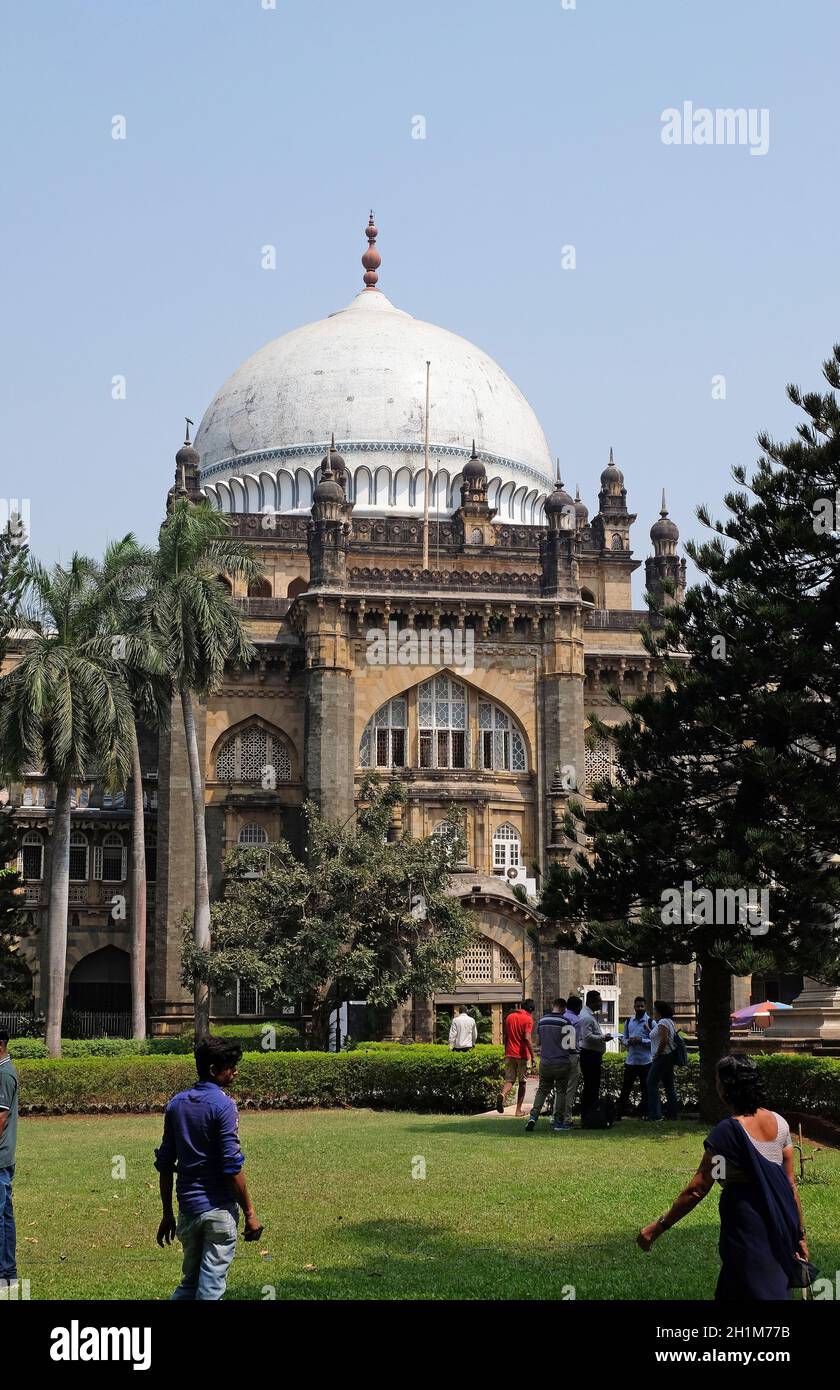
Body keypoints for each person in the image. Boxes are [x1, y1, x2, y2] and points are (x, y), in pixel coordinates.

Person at [637, 1055, 812, 1301]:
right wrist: (800, 1236)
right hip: (781, 1222)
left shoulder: (727, 1132)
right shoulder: (780, 1124)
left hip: (747, 1224)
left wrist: (658, 1227)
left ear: (726, 1087)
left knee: (750, 1287)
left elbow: (697, 1189)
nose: (715, 1084)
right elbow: (790, 1186)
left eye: (718, 1079)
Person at [155, 1037, 264, 1300]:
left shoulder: (176, 1104)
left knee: (190, 1284)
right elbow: (232, 1166)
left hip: (188, 1211)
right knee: (211, 1289)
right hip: (218, 1211)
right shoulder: (224, 1106)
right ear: (214, 1070)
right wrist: (250, 1213)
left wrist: (168, 1214)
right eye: (230, 1066)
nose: (235, 1071)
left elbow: (166, 1164)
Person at [525, 999, 577, 1133]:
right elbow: (570, 1046)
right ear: (563, 1008)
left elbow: (538, 1042)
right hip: (561, 1062)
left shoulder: (542, 1021)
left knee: (542, 1090)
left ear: (553, 1006)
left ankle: (533, 1116)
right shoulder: (566, 1022)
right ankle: (558, 1121)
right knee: (561, 1092)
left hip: (545, 1062)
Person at [0, 1031, 19, 1294]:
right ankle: (8, 1273)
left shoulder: (4, 1075)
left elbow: (1, 1119)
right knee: (5, 1215)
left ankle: (4, 1273)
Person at [576, 990, 612, 1117]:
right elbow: (587, 1037)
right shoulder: (586, 1017)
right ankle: (588, 1113)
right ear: (591, 1002)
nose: (601, 1003)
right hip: (590, 1055)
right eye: (599, 1001)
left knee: (592, 1085)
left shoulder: (588, 1015)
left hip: (592, 1054)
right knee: (591, 1085)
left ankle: (590, 1113)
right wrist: (603, 1038)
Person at [497, 999, 535, 1117]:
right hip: (522, 1055)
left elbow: (506, 1036)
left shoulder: (510, 1017)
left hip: (509, 1052)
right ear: (530, 1009)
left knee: (509, 1079)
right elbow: (527, 1038)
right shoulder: (528, 1019)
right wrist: (533, 1056)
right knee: (522, 1082)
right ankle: (518, 1110)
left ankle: (503, 1094)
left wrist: (506, 1051)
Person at [617, 996, 652, 1118]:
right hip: (631, 1061)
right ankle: (620, 1113)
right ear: (634, 1007)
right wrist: (628, 1042)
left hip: (645, 1061)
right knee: (626, 1088)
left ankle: (645, 1113)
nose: (640, 1008)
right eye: (637, 1006)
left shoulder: (650, 1022)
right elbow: (623, 1038)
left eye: (642, 1006)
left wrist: (641, 1040)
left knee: (645, 1089)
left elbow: (654, 1041)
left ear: (645, 1006)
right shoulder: (628, 1021)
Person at [646, 1000, 679, 1121]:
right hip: (667, 1057)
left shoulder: (663, 1022)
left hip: (662, 1057)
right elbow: (660, 1037)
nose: (653, 1012)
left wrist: (657, 1055)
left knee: (651, 1083)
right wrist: (649, 1030)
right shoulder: (668, 1022)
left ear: (659, 1011)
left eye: (655, 1010)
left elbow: (664, 1040)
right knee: (669, 1085)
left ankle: (655, 1115)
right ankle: (672, 1114)